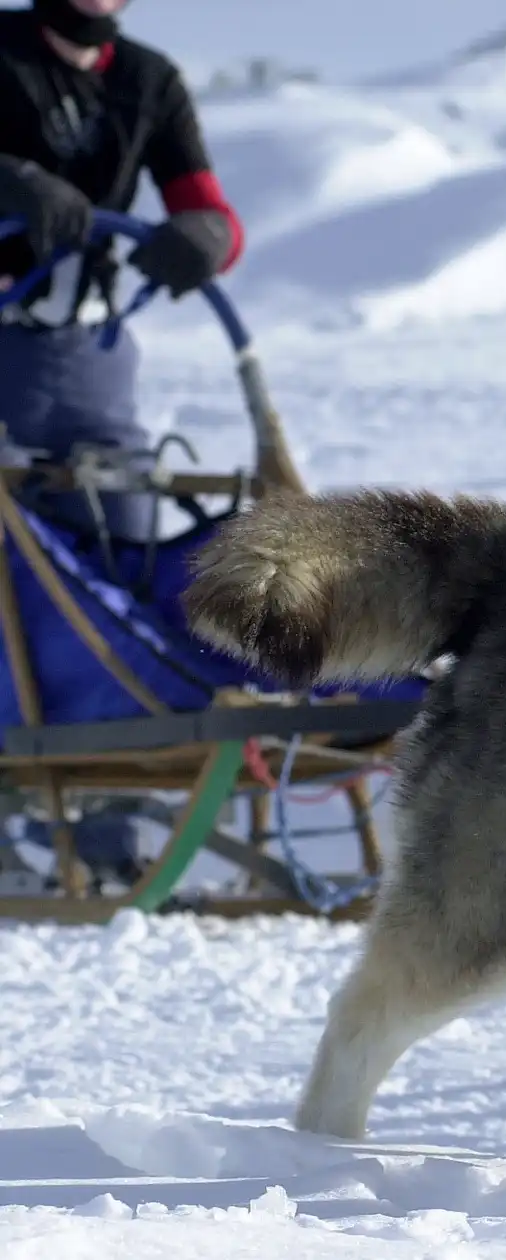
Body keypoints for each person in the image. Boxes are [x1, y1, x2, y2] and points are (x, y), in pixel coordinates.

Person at [0, 0, 246, 886]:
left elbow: (208, 207)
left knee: (121, 562)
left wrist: (205, 239)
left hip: (93, 362)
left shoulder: (147, 80)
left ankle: (112, 821)